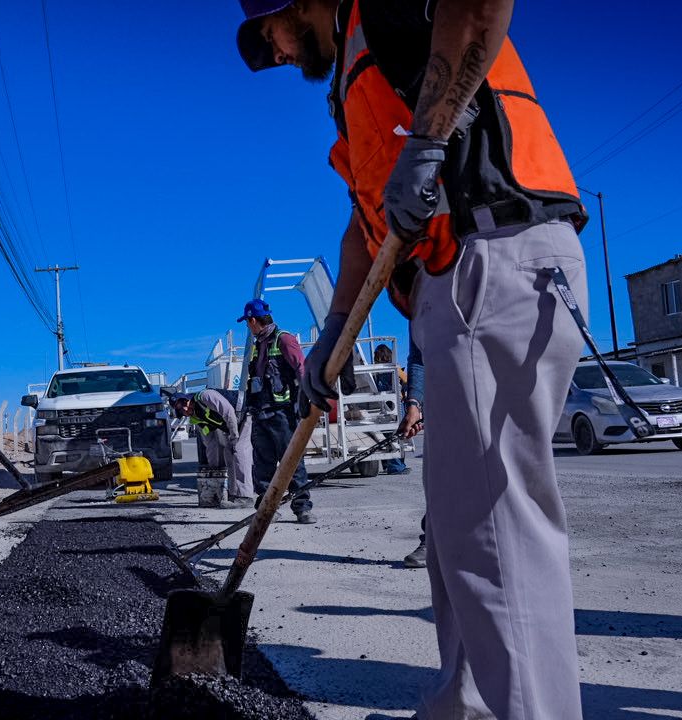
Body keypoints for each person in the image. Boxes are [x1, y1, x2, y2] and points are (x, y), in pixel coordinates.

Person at [237, 2, 589, 717]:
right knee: (463, 531)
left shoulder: (382, 8)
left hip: (491, 255)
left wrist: (428, 146)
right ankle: (468, 704)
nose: (273, 51)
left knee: (494, 532)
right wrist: (338, 323)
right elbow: (365, 226)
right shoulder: (354, 81)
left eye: (267, 30)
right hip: (459, 281)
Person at [238, 298, 315, 524]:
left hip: (282, 413)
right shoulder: (258, 345)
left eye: (247, 323)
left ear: (253, 320)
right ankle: (266, 507)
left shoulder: (284, 340)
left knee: (291, 461)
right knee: (263, 463)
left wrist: (306, 400)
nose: (248, 327)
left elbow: (301, 369)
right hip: (261, 412)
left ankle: (302, 507)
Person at [172, 390, 255, 505]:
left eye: (184, 404)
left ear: (188, 398)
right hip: (235, 421)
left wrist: (234, 436)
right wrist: (213, 470)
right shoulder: (197, 419)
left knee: (239, 449)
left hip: (244, 413)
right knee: (228, 452)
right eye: (181, 410)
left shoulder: (205, 396)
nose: (185, 409)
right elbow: (211, 443)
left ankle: (245, 497)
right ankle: (234, 494)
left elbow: (228, 412)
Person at [398, 342, 427, 568]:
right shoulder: (421, 307)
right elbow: (418, 357)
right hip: (449, 401)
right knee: (442, 480)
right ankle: (434, 541)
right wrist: (414, 405)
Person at [372, 344, 410, 475]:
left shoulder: (375, 371)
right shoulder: (394, 367)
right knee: (398, 435)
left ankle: (387, 463)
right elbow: (407, 381)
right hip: (396, 405)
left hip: (382, 407)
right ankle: (397, 466)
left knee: (387, 436)